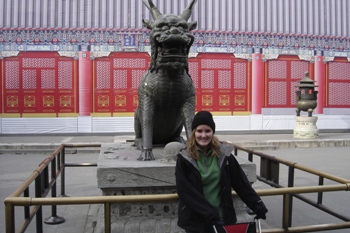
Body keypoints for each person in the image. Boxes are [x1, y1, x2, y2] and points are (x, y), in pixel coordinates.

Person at [175, 111, 268, 233]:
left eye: (207, 131)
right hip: (196, 220)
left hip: (221, 217)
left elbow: (241, 182)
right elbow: (185, 191)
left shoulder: (225, 155)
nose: (203, 135)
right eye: (199, 131)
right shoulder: (184, 158)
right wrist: (207, 210)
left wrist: (257, 204)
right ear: (194, 133)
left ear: (213, 132)